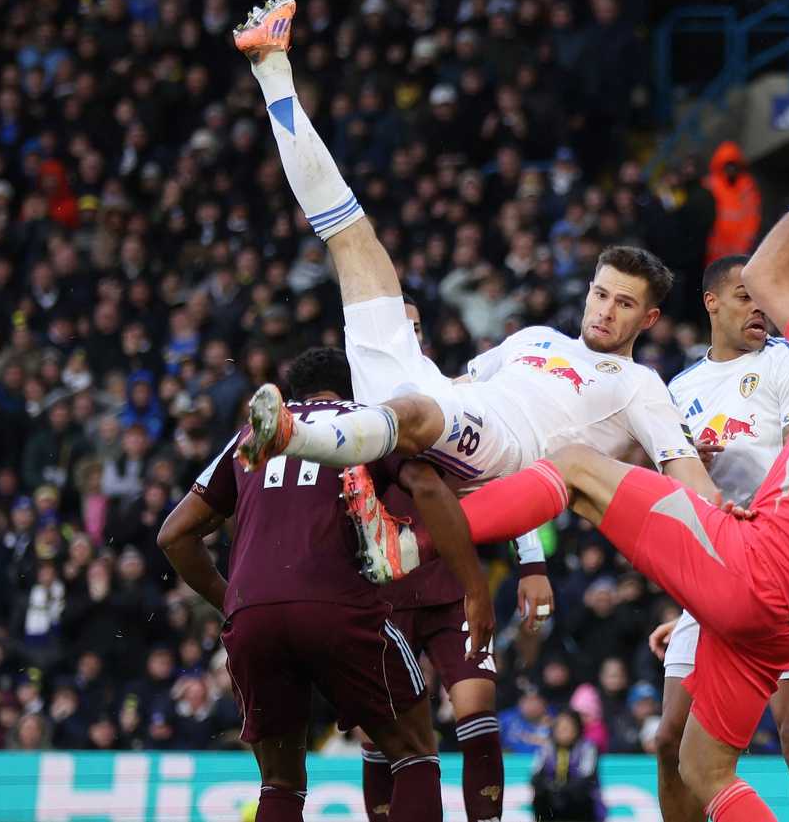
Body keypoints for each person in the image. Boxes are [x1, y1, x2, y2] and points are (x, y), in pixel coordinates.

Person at [456, 143, 789, 821]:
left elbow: (768, 275)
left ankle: (424, 536)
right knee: (691, 756)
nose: (755, 307)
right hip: (765, 589)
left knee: (572, 463)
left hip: (753, 556)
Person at [228, 0, 716, 505]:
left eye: (625, 304)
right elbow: (463, 382)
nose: (605, 310)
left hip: (505, 449)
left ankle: (294, 439)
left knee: (417, 409)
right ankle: (271, 67)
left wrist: (719, 508)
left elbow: (680, 466)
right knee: (353, 237)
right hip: (442, 402)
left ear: (651, 318)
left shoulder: (640, 383)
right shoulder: (536, 339)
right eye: (601, 294)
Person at [156, 347, 493, 822]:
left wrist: (231, 600)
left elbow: (173, 534)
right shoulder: (367, 421)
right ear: (352, 386)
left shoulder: (251, 435)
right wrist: (475, 587)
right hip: (338, 604)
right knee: (415, 752)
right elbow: (429, 487)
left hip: (254, 614)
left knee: (280, 783)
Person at [645, 253, 789, 822]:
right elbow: (665, 489)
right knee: (668, 740)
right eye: (743, 296)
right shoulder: (677, 389)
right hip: (714, 568)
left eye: (763, 298)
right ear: (712, 302)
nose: (759, 308)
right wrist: (683, 467)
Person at [358, 298, 554, 822]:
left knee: (478, 710)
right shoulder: (353, 413)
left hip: (452, 588)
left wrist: (531, 564)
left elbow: (508, 477)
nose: (408, 338)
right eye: (398, 329)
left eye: (415, 328)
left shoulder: (453, 400)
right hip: (382, 598)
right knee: (382, 731)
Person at [530, 709, 606, 822]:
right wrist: (551, 788)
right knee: (540, 795)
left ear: (577, 728)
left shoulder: (587, 748)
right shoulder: (547, 748)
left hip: (580, 804)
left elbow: (586, 778)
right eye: (559, 727)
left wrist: (563, 790)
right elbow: (535, 776)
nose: (562, 731)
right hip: (552, 802)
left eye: (567, 727)